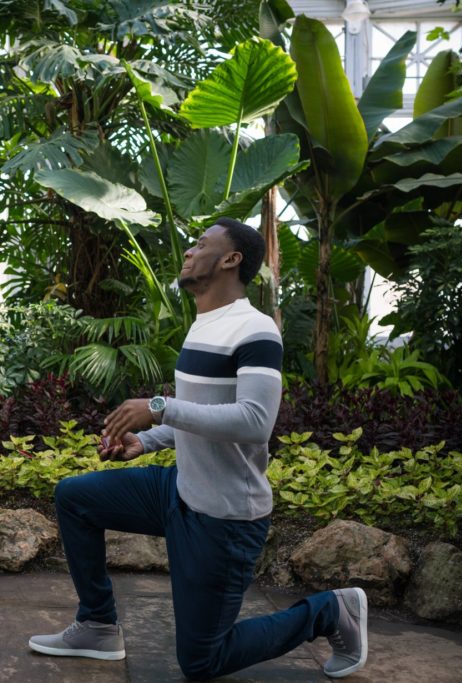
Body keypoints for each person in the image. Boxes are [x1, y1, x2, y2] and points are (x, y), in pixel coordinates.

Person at [28, 218, 368, 680]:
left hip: (224, 516)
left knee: (202, 661)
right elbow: (200, 414)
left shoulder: (256, 330)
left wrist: (158, 408)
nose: (189, 252)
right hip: (180, 490)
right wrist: (144, 441)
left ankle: (331, 610)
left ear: (231, 260)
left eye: (201, 244)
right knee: (76, 496)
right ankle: (97, 625)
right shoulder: (204, 324)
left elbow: (254, 422)